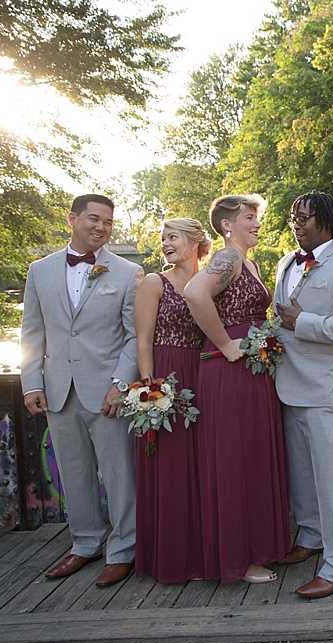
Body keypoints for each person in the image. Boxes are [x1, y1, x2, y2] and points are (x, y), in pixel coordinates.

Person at [21, 194, 143, 587]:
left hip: (107, 393)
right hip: (58, 391)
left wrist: (120, 385)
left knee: (120, 475)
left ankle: (124, 550)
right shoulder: (40, 270)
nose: (101, 227)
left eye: (108, 222)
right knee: (73, 475)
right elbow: (32, 332)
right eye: (93, 219)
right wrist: (31, 383)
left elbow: (134, 337)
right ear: (73, 219)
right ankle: (84, 544)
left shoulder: (127, 272)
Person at [184, 194, 290, 584]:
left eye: (257, 218)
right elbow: (195, 294)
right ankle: (236, 557)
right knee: (235, 460)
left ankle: (255, 548)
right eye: (250, 218)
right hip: (229, 372)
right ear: (227, 225)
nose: (257, 224)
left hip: (252, 371)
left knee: (252, 456)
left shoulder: (250, 262)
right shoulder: (227, 258)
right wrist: (226, 345)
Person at [273, 191, 333, 599]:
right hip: (288, 386)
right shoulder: (283, 262)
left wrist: (304, 321)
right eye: (293, 217)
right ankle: (311, 537)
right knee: (302, 479)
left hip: (328, 391)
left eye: (305, 218)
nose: (296, 224)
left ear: (327, 222)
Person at [132, 218, 212, 583]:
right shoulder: (154, 282)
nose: (165, 243)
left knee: (201, 466)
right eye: (163, 238)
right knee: (171, 465)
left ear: (196, 242)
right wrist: (150, 390)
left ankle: (202, 552)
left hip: (202, 377)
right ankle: (171, 557)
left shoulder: (208, 281)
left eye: (173, 237)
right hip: (166, 375)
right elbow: (143, 340)